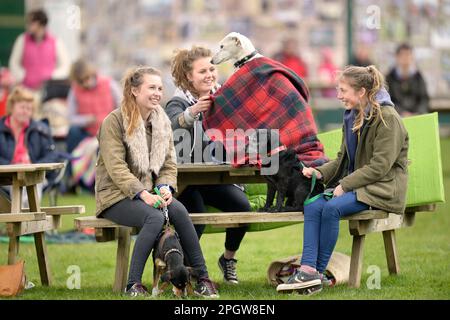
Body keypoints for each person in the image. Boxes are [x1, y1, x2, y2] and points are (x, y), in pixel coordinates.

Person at [277, 65, 409, 295]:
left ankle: (315, 274)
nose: (338, 96)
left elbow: (380, 167)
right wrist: (319, 173)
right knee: (313, 204)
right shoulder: (351, 116)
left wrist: (345, 185)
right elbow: (342, 159)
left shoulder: (389, 119)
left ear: (361, 92)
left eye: (343, 90)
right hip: (359, 186)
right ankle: (308, 270)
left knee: (330, 209)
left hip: (383, 188)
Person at [95, 66, 218, 297]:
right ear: (134, 91)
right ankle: (133, 284)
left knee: (179, 211)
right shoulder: (114, 121)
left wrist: (164, 187)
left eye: (160, 88)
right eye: (151, 87)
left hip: (150, 192)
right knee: (154, 216)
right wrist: (143, 194)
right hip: (115, 195)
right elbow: (116, 168)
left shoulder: (161, 120)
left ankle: (202, 278)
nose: (157, 93)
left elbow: (169, 163)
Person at [165, 46, 251, 285]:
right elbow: (172, 126)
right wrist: (192, 112)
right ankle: (184, 270)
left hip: (215, 176)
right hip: (187, 181)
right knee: (196, 218)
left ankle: (228, 259)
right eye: (202, 71)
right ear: (188, 76)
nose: (210, 74)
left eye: (212, 68)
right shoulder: (178, 101)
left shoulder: (223, 97)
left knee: (242, 207)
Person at [0, 86, 61, 205]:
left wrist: (33, 167)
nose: (25, 111)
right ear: (12, 107)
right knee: (18, 184)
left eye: (29, 108)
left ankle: (23, 219)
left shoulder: (40, 129)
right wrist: (13, 168)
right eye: (22, 107)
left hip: (34, 176)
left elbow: (52, 155)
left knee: (31, 182)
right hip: (6, 178)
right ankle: (27, 219)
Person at [66, 59, 121, 153]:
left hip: (108, 130)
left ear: (92, 74)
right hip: (87, 133)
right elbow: (71, 117)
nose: (85, 84)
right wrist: (86, 120)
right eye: (81, 82)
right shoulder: (74, 90)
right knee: (73, 131)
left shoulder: (109, 83)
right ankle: (72, 164)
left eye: (87, 79)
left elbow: (122, 106)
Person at [9, 9, 70, 91]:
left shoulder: (55, 42)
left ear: (41, 24)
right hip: (27, 89)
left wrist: (52, 76)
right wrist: (22, 76)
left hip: (48, 91)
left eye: (32, 23)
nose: (28, 25)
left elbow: (65, 64)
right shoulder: (22, 40)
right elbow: (13, 62)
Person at [386, 43, 429, 116]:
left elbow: (424, 99)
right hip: (397, 119)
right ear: (397, 57)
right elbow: (387, 101)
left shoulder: (418, 77)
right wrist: (401, 112)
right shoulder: (389, 78)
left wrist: (418, 113)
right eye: (403, 55)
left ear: (412, 57)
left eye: (408, 55)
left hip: (417, 118)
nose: (406, 59)